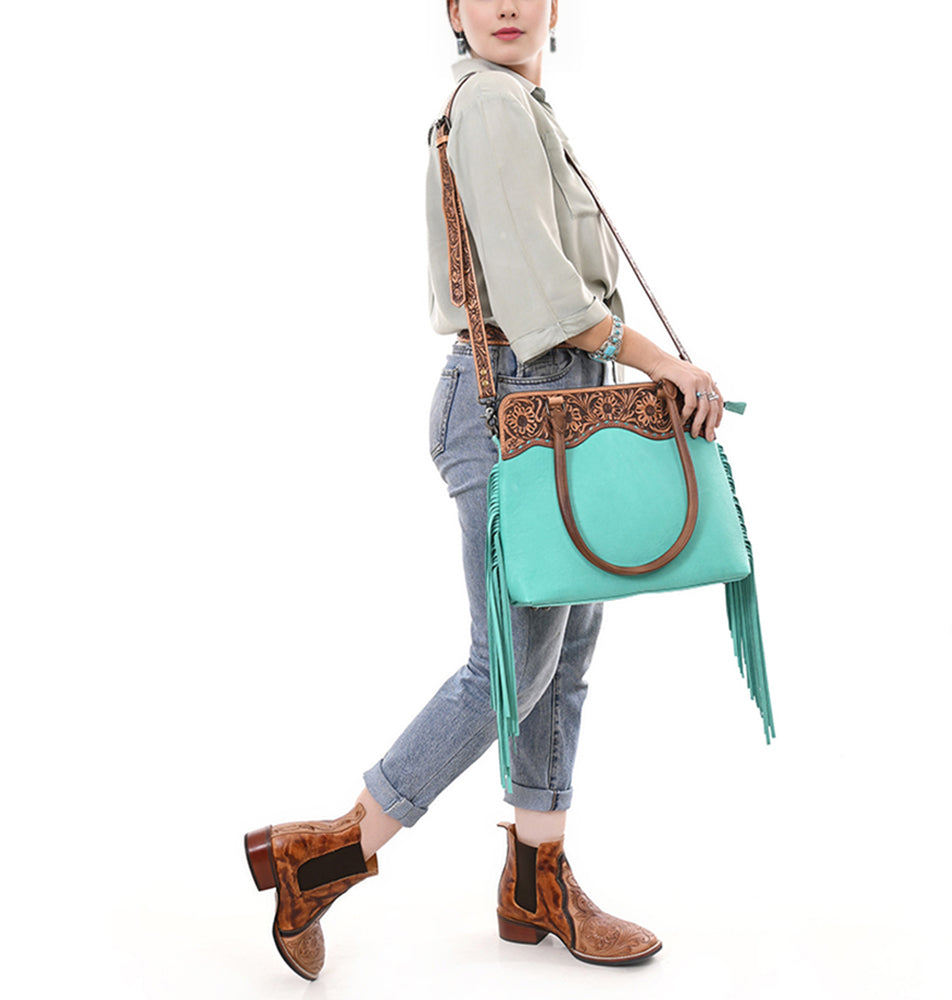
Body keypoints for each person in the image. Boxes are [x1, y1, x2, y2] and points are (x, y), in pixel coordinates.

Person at [243, 0, 724, 980]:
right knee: (503, 669)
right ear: (453, 11)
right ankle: (324, 857)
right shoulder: (492, 106)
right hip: (514, 401)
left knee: (561, 659)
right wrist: (665, 363)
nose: (507, 4)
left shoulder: (522, 105)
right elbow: (546, 300)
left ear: (555, 8)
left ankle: (537, 882)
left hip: (560, 401)